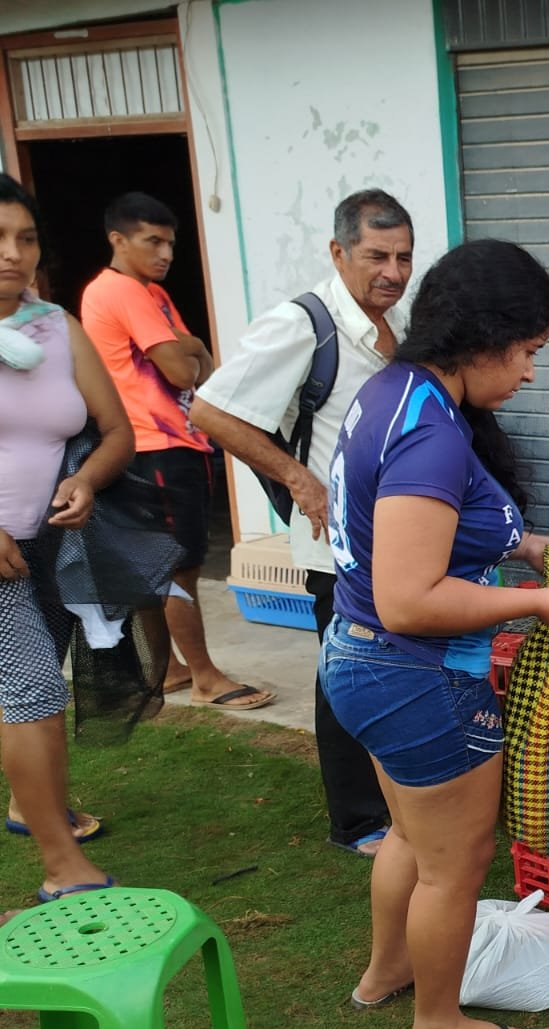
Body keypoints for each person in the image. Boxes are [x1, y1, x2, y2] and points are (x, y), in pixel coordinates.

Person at [319, 239, 549, 1029]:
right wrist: (536, 602)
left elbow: (418, 543)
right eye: (529, 352)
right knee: (455, 863)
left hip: (362, 658)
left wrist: (524, 545)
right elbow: (413, 596)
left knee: (409, 836)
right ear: (484, 338)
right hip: (416, 673)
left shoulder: (395, 390)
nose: (530, 374)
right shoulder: (432, 433)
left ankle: (387, 975)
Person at [192, 190, 414, 857]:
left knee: (384, 673)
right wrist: (297, 476)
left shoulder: (389, 323)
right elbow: (211, 410)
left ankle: (396, 800)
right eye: (377, 255)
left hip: (393, 543)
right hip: (335, 546)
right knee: (343, 676)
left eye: (404, 255)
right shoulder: (304, 324)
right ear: (338, 252)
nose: (394, 271)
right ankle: (356, 820)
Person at [80, 191, 273, 711]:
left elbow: (201, 365)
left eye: (170, 243)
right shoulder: (124, 293)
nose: (166, 253)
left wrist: (189, 350)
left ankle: (167, 670)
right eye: (153, 241)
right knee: (177, 568)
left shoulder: (150, 293)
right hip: (155, 447)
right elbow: (185, 370)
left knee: (158, 566)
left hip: (164, 444)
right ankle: (207, 676)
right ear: (118, 240)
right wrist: (191, 348)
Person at [0, 173, 134, 901]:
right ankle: (61, 865)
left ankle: (30, 804)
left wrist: (87, 482)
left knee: (28, 688)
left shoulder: (54, 327)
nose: (11, 254)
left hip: (48, 543)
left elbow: (117, 432)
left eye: (23, 237)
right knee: (30, 690)